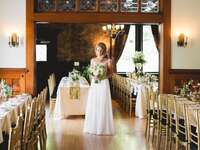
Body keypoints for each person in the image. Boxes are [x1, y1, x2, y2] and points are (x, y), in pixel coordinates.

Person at [83, 42, 114, 135]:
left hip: (104, 83)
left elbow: (111, 74)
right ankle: (92, 127)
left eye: (101, 50)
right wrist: (93, 77)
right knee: (94, 103)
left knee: (103, 103)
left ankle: (103, 128)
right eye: (97, 49)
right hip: (95, 84)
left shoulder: (108, 61)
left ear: (104, 51)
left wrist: (103, 77)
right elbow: (90, 73)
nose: (99, 51)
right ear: (95, 50)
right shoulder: (92, 60)